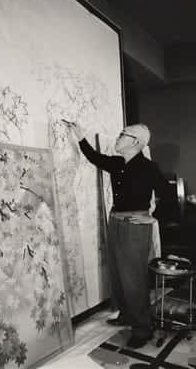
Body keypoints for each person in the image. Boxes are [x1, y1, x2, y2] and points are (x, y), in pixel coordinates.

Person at [64, 121, 172, 349]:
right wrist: (80, 136)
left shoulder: (148, 167)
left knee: (133, 278)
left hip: (135, 226)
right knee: (117, 273)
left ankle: (142, 328)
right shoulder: (117, 163)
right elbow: (94, 157)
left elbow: (168, 194)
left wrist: (153, 217)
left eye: (123, 134)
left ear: (136, 142)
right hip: (115, 222)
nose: (118, 137)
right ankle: (126, 314)